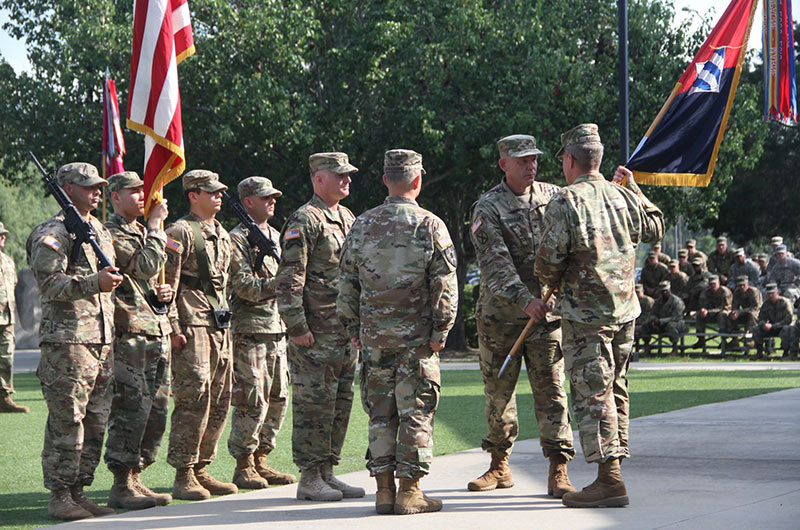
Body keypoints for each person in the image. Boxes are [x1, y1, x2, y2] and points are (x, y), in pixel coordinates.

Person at [535, 124, 665, 508]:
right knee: (616, 390)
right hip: (625, 312)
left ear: (570, 160)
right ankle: (614, 469)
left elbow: (547, 264)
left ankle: (609, 478)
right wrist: (635, 189)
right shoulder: (623, 196)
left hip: (586, 317)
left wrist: (554, 278)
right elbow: (655, 226)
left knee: (593, 394)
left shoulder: (564, 201)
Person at [338, 149, 458, 515]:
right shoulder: (429, 225)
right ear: (417, 180)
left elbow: (345, 284)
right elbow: (445, 287)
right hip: (416, 342)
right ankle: (410, 491)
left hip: (374, 341)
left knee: (380, 415)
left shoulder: (360, 224)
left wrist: (353, 328)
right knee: (416, 412)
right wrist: (441, 330)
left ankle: (384, 492)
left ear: (385, 180)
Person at [466, 134, 575, 498]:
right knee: (499, 394)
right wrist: (525, 299)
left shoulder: (554, 196)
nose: (531, 166)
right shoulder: (487, 208)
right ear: (504, 165)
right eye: (522, 161)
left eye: (534, 160)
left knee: (552, 392)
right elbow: (495, 265)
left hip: (546, 319)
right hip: (502, 318)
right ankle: (499, 464)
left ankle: (558, 467)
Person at [27, 162, 122, 520]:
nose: (96, 191)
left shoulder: (98, 228)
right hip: (67, 342)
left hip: (100, 340)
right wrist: (91, 283)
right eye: (88, 186)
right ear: (67, 189)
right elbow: (50, 284)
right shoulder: (52, 232)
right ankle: (60, 494)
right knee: (68, 419)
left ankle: (79, 490)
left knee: (96, 420)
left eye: (99, 186)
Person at [276, 152, 364, 501]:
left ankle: (328, 470)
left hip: (343, 332)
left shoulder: (347, 216)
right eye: (339, 174)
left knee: (340, 403)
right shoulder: (305, 219)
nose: (347, 180)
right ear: (318, 178)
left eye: (348, 174)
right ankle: (309, 475)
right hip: (315, 332)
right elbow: (289, 279)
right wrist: (297, 325)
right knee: (314, 405)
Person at [164, 169, 237, 500]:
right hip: (192, 324)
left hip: (219, 325)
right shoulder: (180, 231)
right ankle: (184, 471)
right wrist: (174, 328)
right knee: (193, 397)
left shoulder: (221, 232)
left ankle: (202, 466)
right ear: (193, 195)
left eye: (220, 191)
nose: (219, 195)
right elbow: (167, 284)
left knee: (220, 397)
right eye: (212, 192)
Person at [103, 171, 173, 509]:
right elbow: (143, 266)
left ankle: (137, 476)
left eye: (142, 190)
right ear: (115, 197)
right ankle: (121, 482)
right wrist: (158, 227)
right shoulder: (111, 233)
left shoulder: (140, 232)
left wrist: (161, 296)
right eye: (133, 191)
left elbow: (143, 281)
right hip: (129, 333)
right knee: (132, 407)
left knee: (156, 410)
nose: (143, 196)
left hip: (153, 329)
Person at [227, 176, 296, 489]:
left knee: (278, 397)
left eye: (274, 197)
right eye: (265, 197)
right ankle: (243, 463)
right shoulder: (238, 238)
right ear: (248, 201)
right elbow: (242, 286)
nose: (272, 201)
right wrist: (277, 284)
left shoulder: (274, 235)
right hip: (250, 330)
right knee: (251, 399)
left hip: (277, 327)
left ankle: (261, 460)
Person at [0, 221, 27, 413]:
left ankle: (3, 397)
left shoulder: (8, 261)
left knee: (6, 358)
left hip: (7, 318)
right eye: (0, 234)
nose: (2, 237)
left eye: (3, 235)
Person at [641, 281, 687, 353]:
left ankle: (675, 348)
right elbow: (653, 313)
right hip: (661, 324)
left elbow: (677, 317)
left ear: (669, 290)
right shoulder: (658, 301)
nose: (664, 293)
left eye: (666, 291)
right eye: (662, 291)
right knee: (646, 325)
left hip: (678, 324)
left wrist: (661, 321)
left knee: (671, 326)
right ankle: (646, 347)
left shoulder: (677, 301)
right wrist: (653, 319)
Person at [752, 283, 793, 359]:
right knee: (756, 329)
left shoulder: (785, 302)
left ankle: (786, 353)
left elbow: (788, 319)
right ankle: (759, 353)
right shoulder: (766, 304)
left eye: (772, 293)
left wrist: (774, 326)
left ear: (777, 292)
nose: (770, 295)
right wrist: (763, 324)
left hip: (782, 327)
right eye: (768, 293)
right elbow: (760, 318)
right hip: (770, 328)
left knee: (786, 329)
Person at [719, 276, 761, 347]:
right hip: (744, 313)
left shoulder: (754, 292)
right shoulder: (737, 292)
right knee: (730, 316)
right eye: (739, 285)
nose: (741, 287)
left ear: (747, 284)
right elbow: (735, 306)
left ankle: (750, 339)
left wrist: (740, 312)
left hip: (757, 314)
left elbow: (756, 307)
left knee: (752, 315)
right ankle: (734, 338)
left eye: (743, 285)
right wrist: (734, 312)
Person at [695, 275, 732, 346]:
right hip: (710, 314)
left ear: (719, 283)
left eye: (714, 284)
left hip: (722, 313)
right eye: (711, 284)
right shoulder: (705, 292)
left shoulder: (725, 292)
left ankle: (724, 340)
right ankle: (700, 339)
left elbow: (725, 307)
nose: (712, 286)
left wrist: (709, 311)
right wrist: (703, 310)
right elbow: (702, 304)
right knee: (699, 315)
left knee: (722, 315)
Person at [634, 284, 654, 348]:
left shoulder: (648, 301)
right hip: (637, 323)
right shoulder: (633, 301)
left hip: (648, 323)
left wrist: (636, 322)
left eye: (638, 292)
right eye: (635, 292)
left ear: (642, 291)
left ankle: (646, 348)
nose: (636, 294)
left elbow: (647, 315)